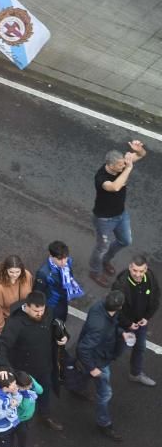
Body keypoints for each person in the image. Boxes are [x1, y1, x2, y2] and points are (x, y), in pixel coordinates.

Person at [0, 291, 66, 431]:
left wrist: (63, 336)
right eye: (36, 311)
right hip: (24, 371)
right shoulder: (16, 322)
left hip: (44, 365)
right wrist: (3, 366)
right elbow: (2, 344)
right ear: (27, 306)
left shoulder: (48, 312)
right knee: (20, 398)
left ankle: (45, 415)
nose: (40, 314)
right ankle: (16, 423)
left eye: (42, 310)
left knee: (44, 391)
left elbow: (54, 326)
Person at [89, 142, 148, 286]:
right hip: (104, 219)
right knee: (101, 247)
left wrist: (138, 150)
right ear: (110, 165)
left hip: (121, 214)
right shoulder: (101, 178)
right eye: (120, 165)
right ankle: (95, 271)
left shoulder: (122, 163)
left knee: (125, 241)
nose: (123, 166)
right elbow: (115, 187)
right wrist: (128, 168)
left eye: (123, 164)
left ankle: (106, 260)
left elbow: (142, 155)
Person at [77, 290, 128, 441]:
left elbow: (109, 328)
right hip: (99, 360)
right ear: (119, 307)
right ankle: (104, 423)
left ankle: (77, 387)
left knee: (84, 375)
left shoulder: (99, 308)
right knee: (105, 393)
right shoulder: (100, 326)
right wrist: (93, 368)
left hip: (98, 355)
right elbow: (83, 348)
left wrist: (120, 332)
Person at [113, 254, 159, 387]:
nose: (138, 274)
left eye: (141, 271)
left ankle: (135, 374)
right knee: (117, 350)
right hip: (124, 325)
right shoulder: (120, 285)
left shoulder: (150, 277)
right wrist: (128, 324)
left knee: (140, 348)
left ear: (146, 269)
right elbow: (115, 309)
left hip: (140, 323)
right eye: (135, 270)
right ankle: (92, 367)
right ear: (130, 268)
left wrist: (146, 318)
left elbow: (155, 298)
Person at [0, 255, 33, 359]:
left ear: (22, 270)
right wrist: (1, 328)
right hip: (3, 315)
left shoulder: (27, 275)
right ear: (5, 270)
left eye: (17, 272)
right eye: (11, 272)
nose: (15, 275)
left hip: (17, 313)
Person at [34, 240, 83, 323]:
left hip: (63, 300)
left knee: (62, 321)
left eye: (65, 258)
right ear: (51, 256)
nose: (63, 262)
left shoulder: (67, 263)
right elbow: (38, 293)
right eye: (60, 259)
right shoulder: (43, 273)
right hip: (52, 305)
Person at [12, 370, 41, 447]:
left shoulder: (28, 382)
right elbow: (25, 406)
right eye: (26, 386)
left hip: (27, 417)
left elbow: (40, 390)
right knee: (22, 434)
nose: (29, 387)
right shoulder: (15, 393)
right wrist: (26, 395)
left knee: (21, 432)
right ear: (18, 386)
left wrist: (33, 384)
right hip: (19, 419)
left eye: (30, 384)